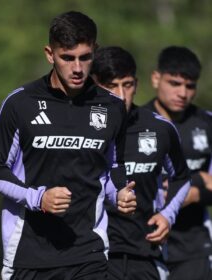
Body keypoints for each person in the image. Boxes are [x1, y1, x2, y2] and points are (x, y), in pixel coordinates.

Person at [0, 11, 136, 280]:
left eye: (85, 57)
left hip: (89, 254)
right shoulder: (20, 104)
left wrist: (119, 194)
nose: (77, 68)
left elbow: (112, 168)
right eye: (67, 57)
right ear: (49, 54)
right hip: (29, 255)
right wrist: (39, 198)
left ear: (94, 53)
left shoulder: (112, 107)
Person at [91, 46, 191, 280]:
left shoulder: (160, 128)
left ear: (136, 84)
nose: (121, 96)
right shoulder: (79, 130)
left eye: (127, 85)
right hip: (94, 258)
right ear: (95, 85)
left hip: (144, 256)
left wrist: (168, 215)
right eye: (111, 86)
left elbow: (182, 176)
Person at [144, 46, 212, 280]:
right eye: (174, 83)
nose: (183, 93)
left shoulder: (206, 124)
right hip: (145, 245)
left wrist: (192, 194)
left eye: (190, 86)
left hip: (193, 249)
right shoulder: (136, 122)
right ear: (156, 78)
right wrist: (197, 180)